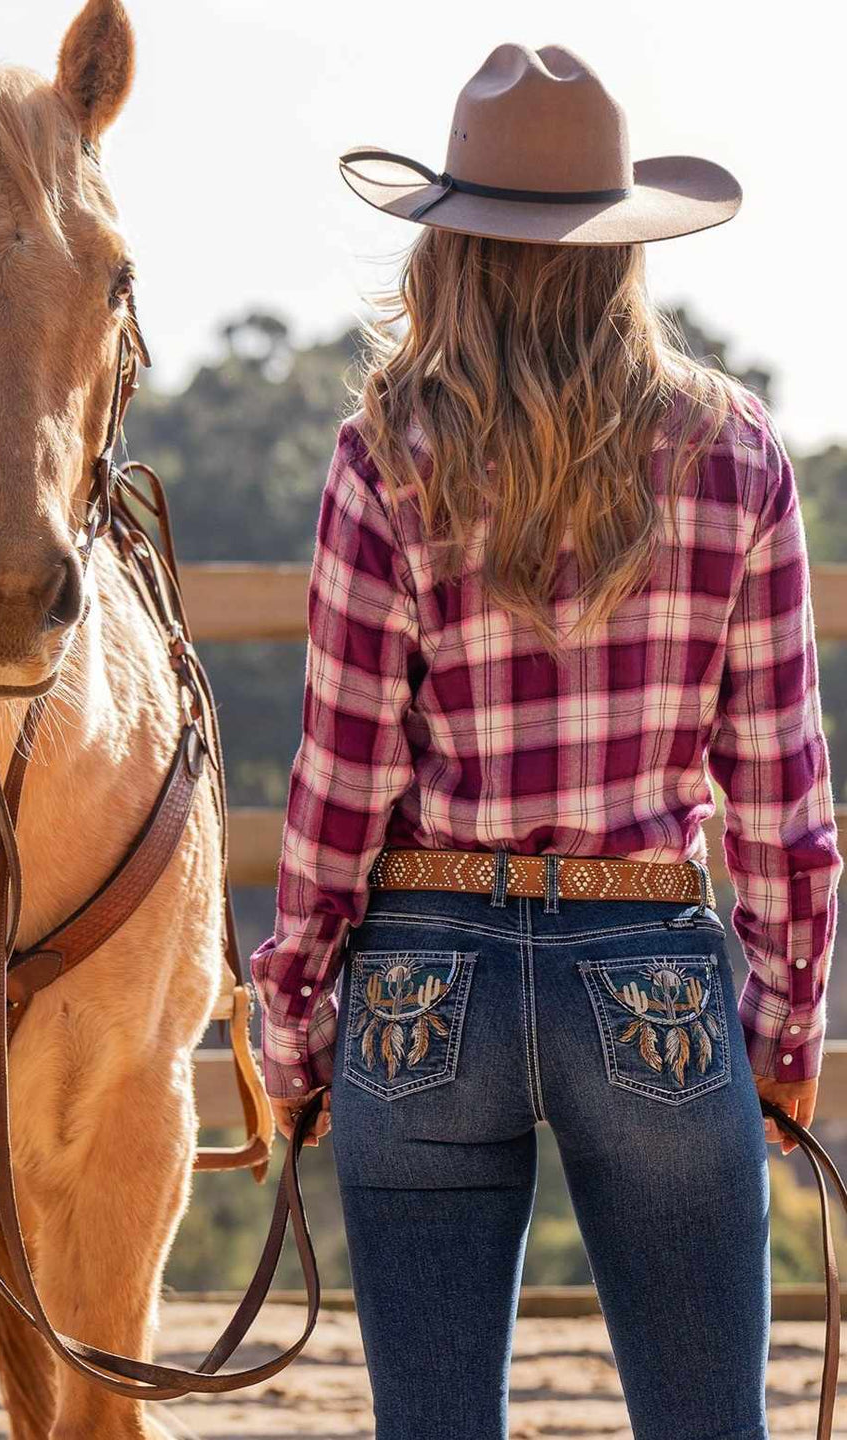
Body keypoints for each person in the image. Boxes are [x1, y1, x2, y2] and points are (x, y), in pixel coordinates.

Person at [248, 41, 843, 1440]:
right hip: (651, 971)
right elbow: (783, 795)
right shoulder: (738, 450)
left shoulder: (385, 448)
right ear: (621, 249)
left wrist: (290, 1027)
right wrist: (785, 1021)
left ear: (451, 247)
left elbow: (340, 785)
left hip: (423, 983)